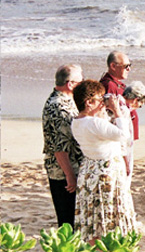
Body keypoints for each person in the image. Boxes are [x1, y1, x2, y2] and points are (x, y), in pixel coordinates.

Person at [71, 80, 136, 243]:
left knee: (94, 215)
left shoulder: (76, 122)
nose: (102, 103)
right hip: (106, 172)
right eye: (100, 100)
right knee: (109, 213)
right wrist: (116, 111)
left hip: (90, 169)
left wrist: (103, 110)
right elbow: (123, 134)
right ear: (89, 103)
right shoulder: (94, 123)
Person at [42, 64, 84, 228]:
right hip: (63, 173)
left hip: (67, 169)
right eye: (80, 82)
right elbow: (60, 148)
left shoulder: (65, 100)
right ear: (70, 84)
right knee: (67, 221)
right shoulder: (59, 106)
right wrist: (70, 176)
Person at [99, 51, 139, 141]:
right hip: (120, 135)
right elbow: (109, 114)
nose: (129, 69)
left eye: (130, 65)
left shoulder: (117, 84)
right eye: (126, 66)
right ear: (113, 66)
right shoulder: (109, 85)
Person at [120, 81, 145, 184]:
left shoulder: (118, 105)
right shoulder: (123, 110)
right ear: (136, 100)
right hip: (121, 153)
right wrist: (125, 161)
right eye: (140, 105)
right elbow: (121, 139)